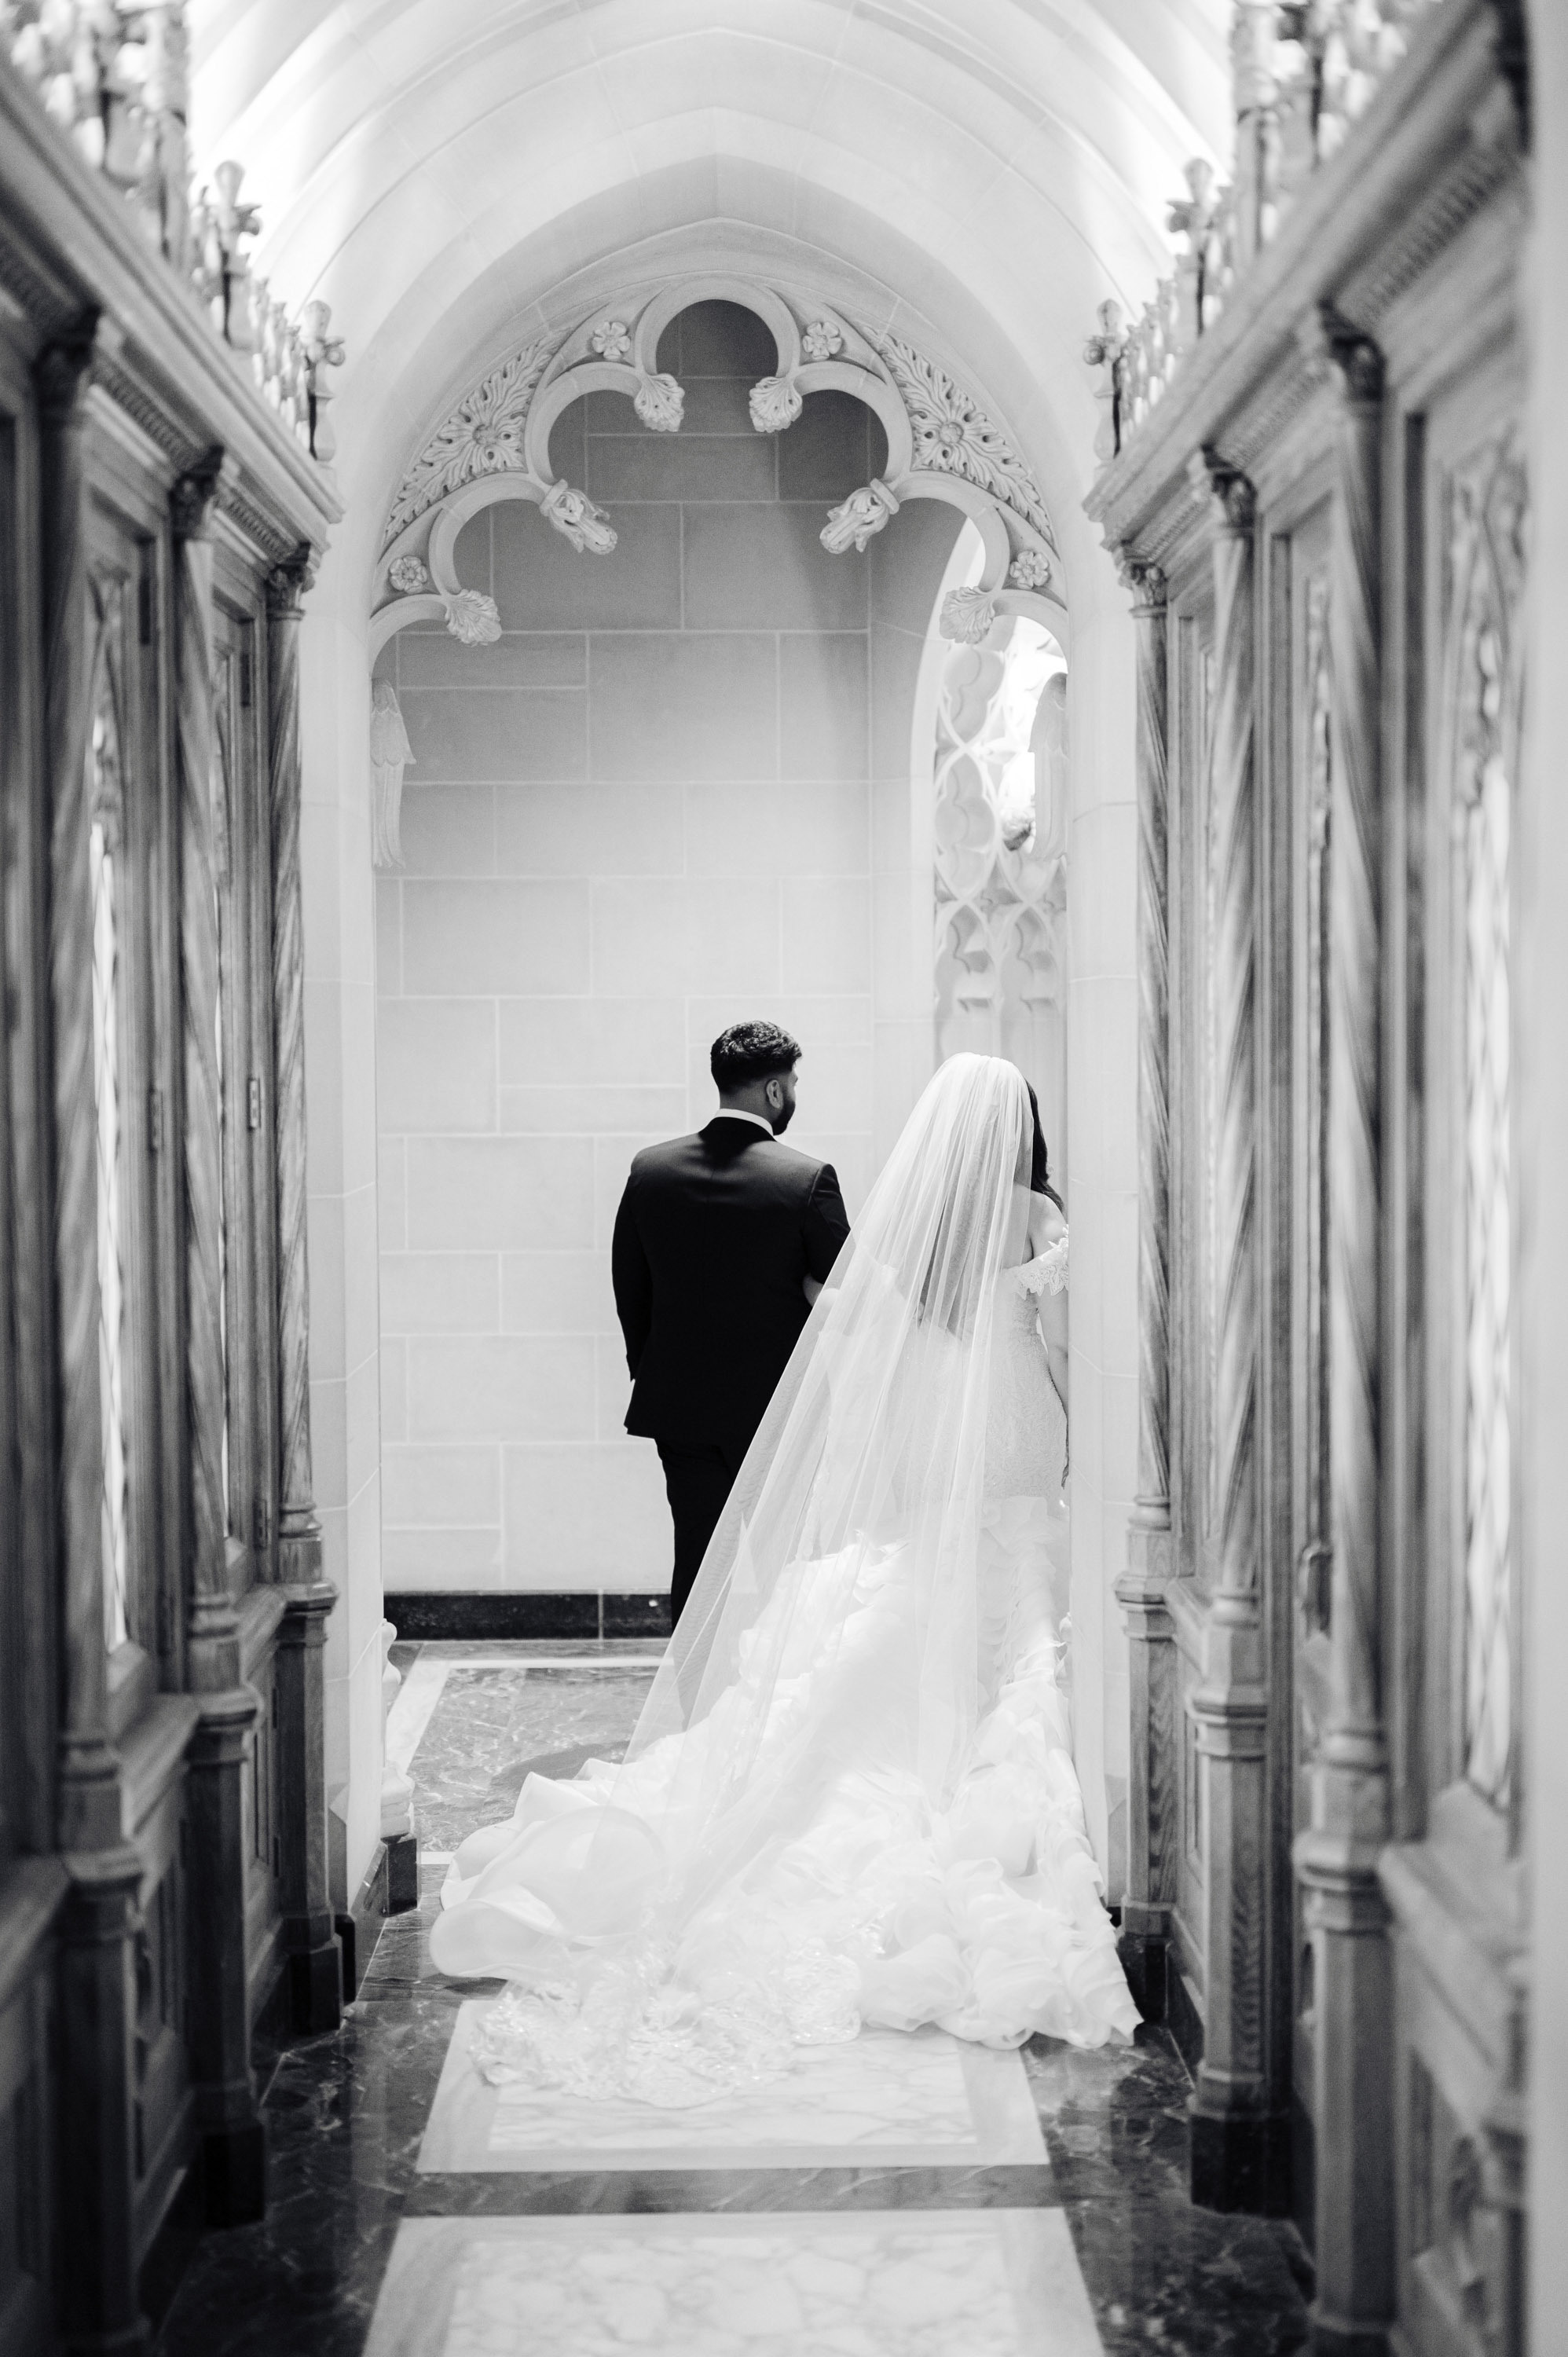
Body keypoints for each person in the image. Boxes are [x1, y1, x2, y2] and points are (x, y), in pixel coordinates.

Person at [430, 1055, 1138, 2099]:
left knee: (914, 1580)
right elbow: (1069, 1322)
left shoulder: (928, 1217)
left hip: (942, 1415)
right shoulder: (1037, 1211)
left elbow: (866, 1322)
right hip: (1021, 1415)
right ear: (1022, 1123)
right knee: (1021, 1579)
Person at [611, 1019, 850, 1626]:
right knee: (784, 1565)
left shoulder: (651, 1170)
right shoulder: (806, 1179)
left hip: (680, 1408)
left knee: (697, 1561)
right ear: (774, 1092)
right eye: (792, 1082)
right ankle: (771, 1704)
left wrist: (658, 1370)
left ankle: (694, 1711)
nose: (794, 1093)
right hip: (778, 1412)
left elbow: (629, 1288)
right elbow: (850, 1289)